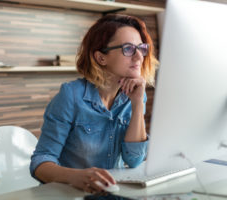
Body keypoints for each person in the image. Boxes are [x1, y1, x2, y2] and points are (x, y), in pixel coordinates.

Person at [30, 14, 158, 194]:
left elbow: (134, 160)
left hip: (111, 193)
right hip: (68, 194)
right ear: (101, 57)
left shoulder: (135, 95)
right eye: (128, 49)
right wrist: (76, 177)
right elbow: (40, 163)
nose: (139, 57)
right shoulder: (71, 96)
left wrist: (138, 104)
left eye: (141, 48)